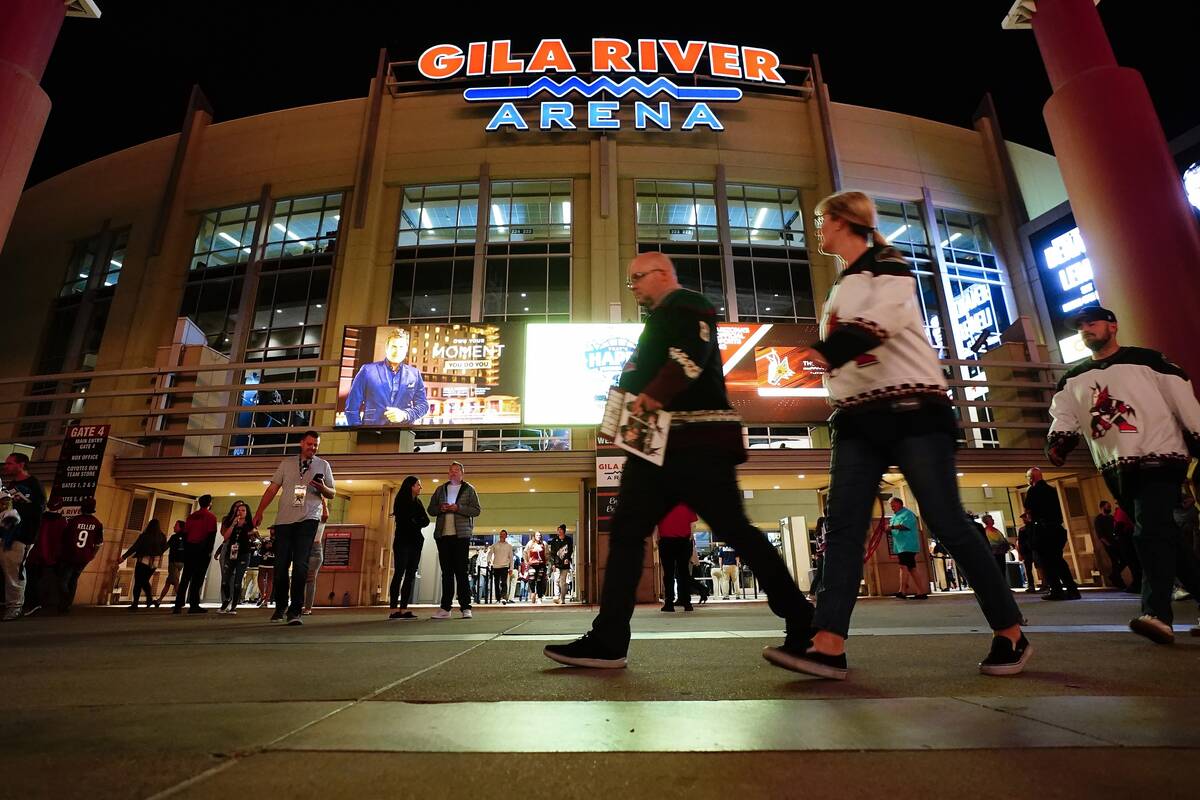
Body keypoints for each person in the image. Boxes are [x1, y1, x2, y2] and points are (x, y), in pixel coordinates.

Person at [761, 191, 1028, 679]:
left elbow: (877, 324)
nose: (816, 228)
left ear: (842, 221)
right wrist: (822, 370)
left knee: (947, 521)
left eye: (820, 219)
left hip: (912, 411)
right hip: (857, 419)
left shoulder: (889, 265)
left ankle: (1010, 629)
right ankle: (827, 644)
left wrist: (826, 353)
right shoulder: (843, 284)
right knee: (841, 528)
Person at [544, 251, 814, 670]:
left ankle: (805, 623)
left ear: (662, 274)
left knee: (734, 531)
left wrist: (653, 394)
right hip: (658, 444)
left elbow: (689, 357)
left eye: (636, 277)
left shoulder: (689, 304)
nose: (631, 285)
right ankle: (609, 638)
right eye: (629, 278)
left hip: (698, 444)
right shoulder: (657, 320)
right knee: (628, 535)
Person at [1046, 305, 1200, 642]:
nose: (1086, 329)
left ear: (1113, 326)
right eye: (1082, 326)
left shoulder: (1150, 361)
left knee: (1149, 533)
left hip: (1161, 456)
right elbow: (1065, 416)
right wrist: (1058, 443)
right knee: (1165, 537)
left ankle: (1157, 613)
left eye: (1093, 323)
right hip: (1115, 466)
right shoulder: (1072, 378)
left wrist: (1198, 435)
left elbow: (1183, 402)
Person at [252, 430, 337, 625]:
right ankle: (280, 606)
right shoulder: (287, 463)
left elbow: (332, 492)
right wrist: (259, 511)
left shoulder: (323, 465)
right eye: (309, 444)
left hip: (309, 519)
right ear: (301, 444)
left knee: (301, 565)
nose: (313, 448)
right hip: (284, 520)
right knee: (281, 566)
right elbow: (272, 488)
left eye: (316, 445)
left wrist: (322, 487)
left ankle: (295, 611)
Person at [425, 461, 481, 619]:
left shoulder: (469, 489)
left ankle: (465, 607)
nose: (453, 473)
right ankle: (445, 608)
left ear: (462, 473)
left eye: (456, 470)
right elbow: (431, 509)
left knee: (461, 572)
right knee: (446, 573)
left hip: (461, 536)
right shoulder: (440, 489)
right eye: (451, 470)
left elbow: (476, 510)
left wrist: (459, 508)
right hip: (443, 536)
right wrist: (440, 508)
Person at [343, 327, 430, 426]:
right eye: (394, 346)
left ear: (406, 350)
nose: (397, 351)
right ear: (386, 347)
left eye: (401, 347)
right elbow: (351, 407)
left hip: (403, 433)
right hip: (371, 432)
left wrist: (405, 415)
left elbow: (423, 405)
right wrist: (359, 432)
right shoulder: (367, 370)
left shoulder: (414, 374)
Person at [1023, 468, 1080, 601]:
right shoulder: (1051, 489)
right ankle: (1072, 590)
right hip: (1056, 529)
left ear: (1031, 478)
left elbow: (1028, 509)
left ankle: (1056, 590)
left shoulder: (1033, 490)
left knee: (1047, 562)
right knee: (1059, 560)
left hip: (1043, 530)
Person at [2, 453, 46, 621]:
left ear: (21, 464)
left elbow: (38, 509)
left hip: (23, 535)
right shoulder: (12, 484)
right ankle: (10, 603)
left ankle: (15, 606)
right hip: (8, 533)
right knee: (8, 568)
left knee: (15, 570)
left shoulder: (34, 484)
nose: (6, 466)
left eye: (10, 463)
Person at [389, 475, 429, 620]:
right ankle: (394, 608)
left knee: (410, 574)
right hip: (402, 540)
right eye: (418, 484)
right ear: (411, 486)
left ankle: (404, 607)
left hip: (416, 541)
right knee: (399, 572)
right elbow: (405, 520)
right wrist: (415, 521)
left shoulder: (418, 502)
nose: (420, 487)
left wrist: (414, 521)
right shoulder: (401, 501)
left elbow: (426, 520)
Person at [57, 497, 104, 612]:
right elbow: (99, 543)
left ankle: (65, 600)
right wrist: (92, 555)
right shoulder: (97, 523)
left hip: (71, 554)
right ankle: (67, 604)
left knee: (63, 580)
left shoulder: (74, 520)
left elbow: (64, 538)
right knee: (74, 579)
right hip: (85, 556)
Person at [174, 494, 218, 615]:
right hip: (202, 550)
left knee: (185, 578)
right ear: (209, 503)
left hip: (190, 549)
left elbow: (186, 533)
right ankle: (193, 604)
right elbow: (211, 535)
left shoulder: (192, 516)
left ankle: (178, 604)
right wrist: (209, 551)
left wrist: (187, 549)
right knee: (197, 579)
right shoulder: (211, 517)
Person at [22, 498, 66, 616]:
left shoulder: (41, 518)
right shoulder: (62, 522)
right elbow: (62, 541)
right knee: (43, 581)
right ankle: (40, 603)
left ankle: (30, 603)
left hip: (34, 553)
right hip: (51, 558)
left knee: (30, 580)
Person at [657, 504, 696, 612]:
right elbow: (692, 525)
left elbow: (656, 525)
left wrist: (658, 539)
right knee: (684, 573)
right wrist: (690, 538)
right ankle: (687, 603)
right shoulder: (687, 506)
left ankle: (669, 603)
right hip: (684, 542)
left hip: (666, 542)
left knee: (668, 574)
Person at [218, 500, 254, 615]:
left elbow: (252, 536)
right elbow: (225, 537)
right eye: (238, 510)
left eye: (243, 510)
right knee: (225, 580)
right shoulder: (232, 522)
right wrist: (233, 524)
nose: (240, 512)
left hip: (243, 553)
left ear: (247, 512)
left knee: (237, 581)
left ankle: (234, 606)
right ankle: (227, 598)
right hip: (231, 552)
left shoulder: (249, 525)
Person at [121, 520, 167, 610]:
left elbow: (135, 547)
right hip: (154, 562)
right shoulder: (162, 537)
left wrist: (124, 557)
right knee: (145, 580)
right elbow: (165, 547)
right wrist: (158, 553)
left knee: (138, 582)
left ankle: (136, 604)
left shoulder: (144, 536)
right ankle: (149, 599)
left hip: (143, 561)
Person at [888, 498, 929, 600]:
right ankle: (921, 592)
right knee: (911, 568)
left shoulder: (908, 514)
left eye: (893, 505)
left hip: (907, 545)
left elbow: (904, 526)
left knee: (903, 567)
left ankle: (902, 590)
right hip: (900, 546)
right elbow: (893, 529)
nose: (892, 507)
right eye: (891, 506)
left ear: (899, 504)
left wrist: (891, 527)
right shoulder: (894, 516)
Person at [1094, 501, 1128, 590]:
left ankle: (1114, 576)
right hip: (1109, 544)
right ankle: (1118, 580)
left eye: (1109, 506)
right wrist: (1108, 544)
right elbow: (1100, 535)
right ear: (1102, 507)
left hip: (1117, 543)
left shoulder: (1111, 517)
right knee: (1115, 562)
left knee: (1124, 560)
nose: (1109, 508)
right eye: (1107, 507)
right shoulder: (1098, 519)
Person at [303, 498, 329, 616]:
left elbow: (325, 514)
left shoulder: (320, 520)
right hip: (304, 548)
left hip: (315, 549)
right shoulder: (304, 519)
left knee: (310, 578)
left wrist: (323, 501)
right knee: (300, 577)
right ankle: (298, 605)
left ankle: (307, 607)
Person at [155, 520, 186, 608]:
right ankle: (159, 600)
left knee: (175, 582)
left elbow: (165, 547)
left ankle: (180, 601)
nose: (174, 527)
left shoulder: (174, 537)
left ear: (180, 527)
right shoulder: (186, 537)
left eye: (176, 525)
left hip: (173, 562)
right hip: (181, 562)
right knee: (168, 582)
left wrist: (157, 552)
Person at [548, 523, 573, 604]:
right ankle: (556, 596)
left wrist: (568, 559)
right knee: (556, 579)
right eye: (558, 530)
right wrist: (553, 564)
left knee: (563, 582)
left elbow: (570, 551)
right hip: (557, 563)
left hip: (565, 564)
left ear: (564, 531)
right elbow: (552, 554)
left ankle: (562, 598)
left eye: (561, 530)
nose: (559, 531)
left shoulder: (568, 540)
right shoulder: (554, 540)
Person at [488, 530, 514, 605]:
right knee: (496, 583)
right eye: (501, 534)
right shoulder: (495, 545)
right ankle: (498, 598)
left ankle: (503, 598)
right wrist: (488, 561)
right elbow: (490, 554)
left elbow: (511, 558)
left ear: (506, 536)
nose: (502, 536)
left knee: (504, 582)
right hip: (496, 566)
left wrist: (511, 568)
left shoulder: (509, 546)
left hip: (505, 567)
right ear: (499, 535)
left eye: (504, 534)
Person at [982, 514, 1010, 582]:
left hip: (1000, 552)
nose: (993, 520)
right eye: (991, 519)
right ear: (987, 521)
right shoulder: (986, 531)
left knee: (1002, 568)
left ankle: (1004, 586)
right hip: (994, 553)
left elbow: (1003, 540)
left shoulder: (996, 530)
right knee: (998, 569)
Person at [1016, 512, 1039, 592]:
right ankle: (1033, 585)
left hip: (1033, 550)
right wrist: (1020, 553)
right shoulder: (1023, 529)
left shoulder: (1033, 527)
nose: (1023, 520)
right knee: (1030, 569)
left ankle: (1041, 584)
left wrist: (1020, 553)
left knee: (1038, 568)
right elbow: (1020, 542)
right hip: (1028, 551)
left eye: (1025, 518)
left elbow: (1020, 542)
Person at [524, 532, 547, 604]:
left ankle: (539, 597)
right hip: (532, 564)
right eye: (537, 535)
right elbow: (525, 552)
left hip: (541, 564)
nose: (538, 536)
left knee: (540, 581)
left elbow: (547, 553)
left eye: (540, 535)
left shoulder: (544, 543)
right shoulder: (530, 543)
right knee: (531, 580)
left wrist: (546, 561)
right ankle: (533, 593)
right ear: (534, 536)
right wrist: (526, 562)